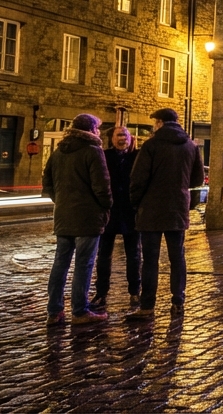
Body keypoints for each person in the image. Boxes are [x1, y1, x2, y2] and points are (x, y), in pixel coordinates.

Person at [127, 108, 205, 320]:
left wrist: (135, 203)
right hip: (177, 207)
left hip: (151, 208)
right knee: (177, 257)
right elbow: (198, 179)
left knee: (150, 259)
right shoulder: (190, 146)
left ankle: (147, 305)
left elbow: (138, 179)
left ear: (160, 122)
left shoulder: (152, 145)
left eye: (155, 122)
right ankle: (178, 301)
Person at [43, 113, 112, 325]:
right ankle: (80, 310)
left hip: (64, 217)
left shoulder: (58, 151)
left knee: (60, 264)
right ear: (91, 129)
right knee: (84, 264)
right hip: (87, 218)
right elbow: (102, 186)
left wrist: (61, 202)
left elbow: (47, 184)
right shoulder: (93, 151)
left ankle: (54, 311)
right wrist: (106, 207)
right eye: (97, 129)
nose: (99, 133)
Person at [92, 125, 140, 311]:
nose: (123, 139)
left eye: (125, 135)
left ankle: (134, 291)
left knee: (134, 254)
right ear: (111, 138)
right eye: (119, 135)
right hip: (109, 212)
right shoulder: (105, 156)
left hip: (130, 212)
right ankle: (101, 292)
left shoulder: (136, 157)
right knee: (104, 255)